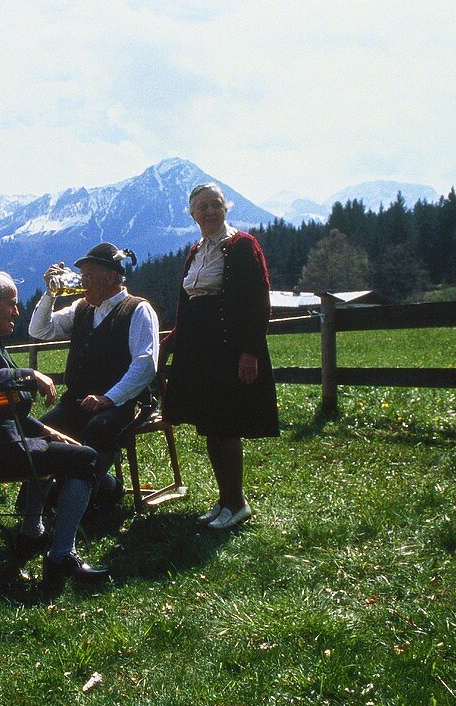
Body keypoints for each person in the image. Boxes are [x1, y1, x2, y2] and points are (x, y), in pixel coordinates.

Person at [0, 271, 108, 586]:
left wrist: (46, 432)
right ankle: (61, 556)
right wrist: (29, 374)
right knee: (86, 458)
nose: (17, 312)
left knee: (59, 449)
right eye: (12, 305)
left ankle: (32, 533)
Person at [161, 183, 279, 530]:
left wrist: (249, 352)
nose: (210, 211)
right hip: (200, 351)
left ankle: (238, 503)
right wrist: (170, 342)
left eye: (216, 205)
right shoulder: (195, 250)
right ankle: (224, 500)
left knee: (227, 426)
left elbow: (258, 303)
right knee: (211, 425)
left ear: (226, 208)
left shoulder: (243, 245)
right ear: (192, 214)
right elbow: (188, 307)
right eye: (202, 207)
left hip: (228, 348)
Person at [29, 242, 159, 511]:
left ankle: (78, 503)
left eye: (88, 275)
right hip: (78, 400)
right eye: (82, 275)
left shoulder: (137, 309)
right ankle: (60, 496)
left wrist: (109, 398)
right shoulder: (82, 308)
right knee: (37, 431)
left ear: (111, 276)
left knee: (99, 428)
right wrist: (50, 292)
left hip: (126, 403)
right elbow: (40, 330)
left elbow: (146, 365)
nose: (82, 281)